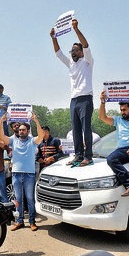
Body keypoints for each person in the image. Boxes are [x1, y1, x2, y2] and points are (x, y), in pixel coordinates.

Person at [50, 18, 94, 167]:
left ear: (81, 52)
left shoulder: (87, 61)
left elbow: (86, 45)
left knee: (85, 128)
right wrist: (53, 38)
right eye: (72, 51)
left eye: (75, 50)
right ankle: (78, 155)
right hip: (74, 100)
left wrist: (76, 29)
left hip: (85, 98)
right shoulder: (70, 63)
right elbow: (58, 53)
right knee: (75, 129)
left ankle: (88, 156)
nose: (73, 53)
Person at [0, 112, 44, 232]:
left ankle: (32, 221)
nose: (21, 131)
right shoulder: (13, 140)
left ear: (28, 131)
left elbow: (41, 135)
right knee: (18, 199)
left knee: (30, 198)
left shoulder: (33, 141)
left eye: (23, 130)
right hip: (16, 174)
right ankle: (20, 221)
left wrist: (36, 121)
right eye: (19, 130)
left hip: (29, 174)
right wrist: (1, 122)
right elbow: (1, 136)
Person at [98, 88, 129, 196]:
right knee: (111, 159)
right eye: (121, 110)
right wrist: (102, 102)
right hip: (122, 150)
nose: (122, 112)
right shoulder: (118, 120)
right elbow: (102, 117)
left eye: (124, 110)